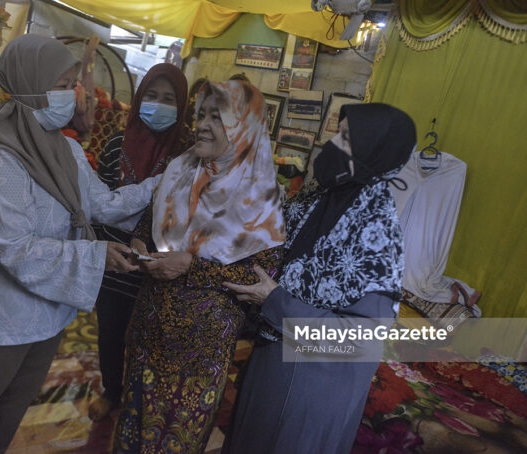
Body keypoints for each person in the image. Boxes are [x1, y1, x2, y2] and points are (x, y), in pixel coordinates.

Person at [0, 34, 158, 454]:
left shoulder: (63, 149)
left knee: (13, 405)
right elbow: (16, 249)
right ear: (30, 87)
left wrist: (164, 183)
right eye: (64, 85)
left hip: (47, 311)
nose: (76, 94)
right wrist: (96, 255)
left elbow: (102, 204)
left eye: (73, 83)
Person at [222, 103, 417, 454]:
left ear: (372, 152)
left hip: (315, 385)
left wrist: (275, 301)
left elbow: (360, 339)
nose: (331, 144)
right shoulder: (319, 197)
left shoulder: (377, 234)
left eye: (344, 138)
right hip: (272, 357)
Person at [113, 80, 286, 453]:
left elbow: (260, 276)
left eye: (218, 117)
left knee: (175, 435)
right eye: (201, 114)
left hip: (197, 347)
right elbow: (149, 220)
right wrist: (140, 243)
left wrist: (191, 266)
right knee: (134, 424)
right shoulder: (180, 168)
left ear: (243, 125)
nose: (203, 125)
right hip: (147, 326)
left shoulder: (261, 193)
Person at [89, 63, 190, 421]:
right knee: (111, 333)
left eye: (168, 98)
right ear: (138, 98)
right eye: (151, 96)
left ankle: (141, 399)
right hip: (116, 261)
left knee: (150, 339)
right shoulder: (116, 143)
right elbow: (97, 202)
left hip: (158, 267)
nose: (158, 105)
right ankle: (112, 393)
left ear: (181, 106)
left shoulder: (186, 153)